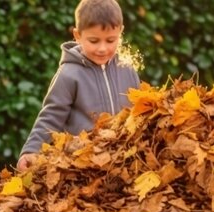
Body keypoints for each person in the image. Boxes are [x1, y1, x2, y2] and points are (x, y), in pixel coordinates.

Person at [16, 0, 141, 170]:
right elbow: (51, 116)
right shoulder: (69, 74)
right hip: (82, 163)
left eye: (111, 40)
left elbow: (139, 110)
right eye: (94, 41)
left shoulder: (127, 69)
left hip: (122, 160)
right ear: (77, 36)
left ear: (121, 32)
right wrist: (32, 150)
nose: (103, 48)